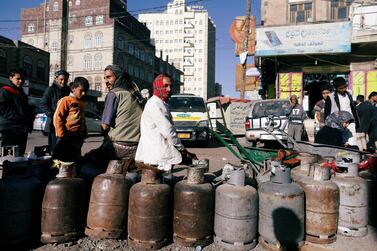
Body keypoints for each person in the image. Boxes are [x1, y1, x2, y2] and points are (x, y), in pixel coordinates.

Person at [82, 65, 144, 172]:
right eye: (105, 78)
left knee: (85, 161)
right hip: (136, 147)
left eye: (109, 77)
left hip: (117, 147)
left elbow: (105, 126)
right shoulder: (135, 94)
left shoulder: (114, 94)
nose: (106, 81)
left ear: (118, 76)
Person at [135, 74, 197, 171]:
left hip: (156, 153)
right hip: (159, 155)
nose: (169, 89)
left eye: (170, 86)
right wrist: (182, 149)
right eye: (165, 86)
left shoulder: (159, 102)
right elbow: (168, 131)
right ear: (157, 86)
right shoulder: (156, 104)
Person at [52, 77, 89, 162]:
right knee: (62, 160)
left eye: (85, 91)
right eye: (81, 90)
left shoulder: (81, 103)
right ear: (73, 88)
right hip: (67, 135)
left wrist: (84, 133)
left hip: (78, 136)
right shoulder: (66, 100)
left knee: (75, 159)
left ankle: (73, 173)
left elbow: (82, 119)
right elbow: (57, 118)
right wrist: (62, 135)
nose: (83, 93)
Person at [0, 69, 34, 156]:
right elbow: (3, 109)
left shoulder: (22, 92)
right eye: (18, 78)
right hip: (10, 128)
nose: (21, 81)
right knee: (9, 156)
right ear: (11, 78)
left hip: (22, 128)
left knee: (19, 154)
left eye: (22, 79)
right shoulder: (5, 91)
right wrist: (20, 117)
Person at [40, 70, 71, 153]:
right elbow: (43, 104)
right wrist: (54, 115)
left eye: (65, 80)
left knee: (65, 150)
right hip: (53, 125)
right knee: (54, 149)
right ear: (56, 79)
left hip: (66, 125)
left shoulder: (68, 91)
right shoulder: (50, 90)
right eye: (61, 79)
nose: (63, 82)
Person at [325, 77, 359, 146]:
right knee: (340, 144)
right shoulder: (330, 97)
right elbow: (327, 113)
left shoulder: (349, 95)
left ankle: (352, 156)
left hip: (350, 123)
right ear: (336, 88)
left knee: (352, 143)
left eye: (345, 87)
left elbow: (353, 108)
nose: (343, 89)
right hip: (337, 125)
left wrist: (357, 122)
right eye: (341, 88)